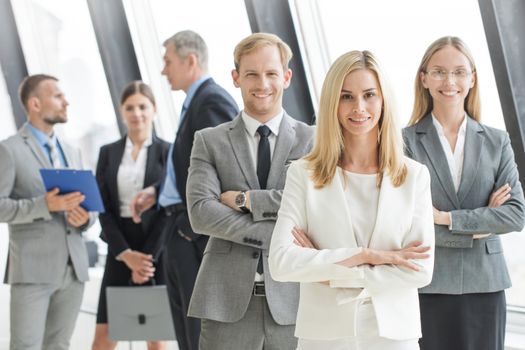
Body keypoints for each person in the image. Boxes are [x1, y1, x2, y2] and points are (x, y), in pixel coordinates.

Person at [269, 50, 435, 350]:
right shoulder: (302, 174)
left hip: (393, 336)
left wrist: (328, 271)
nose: (359, 107)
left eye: (369, 94)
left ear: (383, 100)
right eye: (346, 96)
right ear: (333, 103)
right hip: (324, 336)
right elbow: (281, 262)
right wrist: (367, 256)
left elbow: (421, 269)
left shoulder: (414, 176)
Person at [186, 32, 315, 350]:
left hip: (295, 303)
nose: (262, 84)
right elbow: (202, 214)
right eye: (252, 74)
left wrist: (244, 200)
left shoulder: (312, 141)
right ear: (235, 78)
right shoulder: (209, 140)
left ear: (286, 77)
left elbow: (310, 205)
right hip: (224, 302)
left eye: (271, 73)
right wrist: (276, 235)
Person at [403, 36, 525, 350]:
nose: (450, 81)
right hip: (428, 284)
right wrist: (482, 224)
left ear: (472, 79)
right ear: (425, 79)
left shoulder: (496, 141)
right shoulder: (404, 142)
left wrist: (444, 218)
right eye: (440, 72)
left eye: (459, 72)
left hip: (486, 284)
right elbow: (407, 221)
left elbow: (515, 214)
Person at [129, 30, 238, 350]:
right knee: (186, 332)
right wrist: (157, 191)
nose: (163, 70)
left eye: (168, 62)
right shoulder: (194, 103)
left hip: (193, 236)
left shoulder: (211, 102)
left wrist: (194, 230)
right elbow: (190, 167)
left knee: (199, 333)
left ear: (190, 61)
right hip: (179, 231)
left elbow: (229, 172)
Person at [0, 74, 95, 350]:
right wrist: (44, 205)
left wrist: (86, 219)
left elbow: (88, 203)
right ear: (35, 104)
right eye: (57, 96)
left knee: (59, 346)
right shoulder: (9, 150)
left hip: (73, 270)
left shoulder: (72, 151)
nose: (66, 101)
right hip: (32, 271)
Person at [91, 81, 170, 350]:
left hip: (154, 249)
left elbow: (170, 209)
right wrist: (125, 254)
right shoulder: (108, 153)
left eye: (142, 106)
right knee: (103, 338)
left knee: (155, 339)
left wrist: (145, 261)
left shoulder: (167, 152)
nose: (137, 113)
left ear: (154, 110)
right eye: (130, 107)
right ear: (121, 111)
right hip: (119, 247)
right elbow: (104, 208)